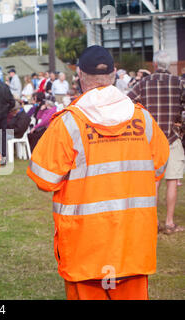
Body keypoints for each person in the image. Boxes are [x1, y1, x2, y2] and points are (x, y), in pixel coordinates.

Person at [27, 45, 169, 300]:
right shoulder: (143, 119)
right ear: (114, 74)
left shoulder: (69, 122)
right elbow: (158, 167)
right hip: (132, 244)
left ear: (80, 75)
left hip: (86, 247)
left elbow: (44, 178)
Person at [128, 50, 185, 234]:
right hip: (172, 137)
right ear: (170, 65)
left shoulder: (143, 83)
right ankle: (169, 223)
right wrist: (180, 121)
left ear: (154, 65)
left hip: (149, 139)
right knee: (172, 180)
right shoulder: (179, 83)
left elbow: (128, 103)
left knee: (153, 182)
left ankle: (151, 222)